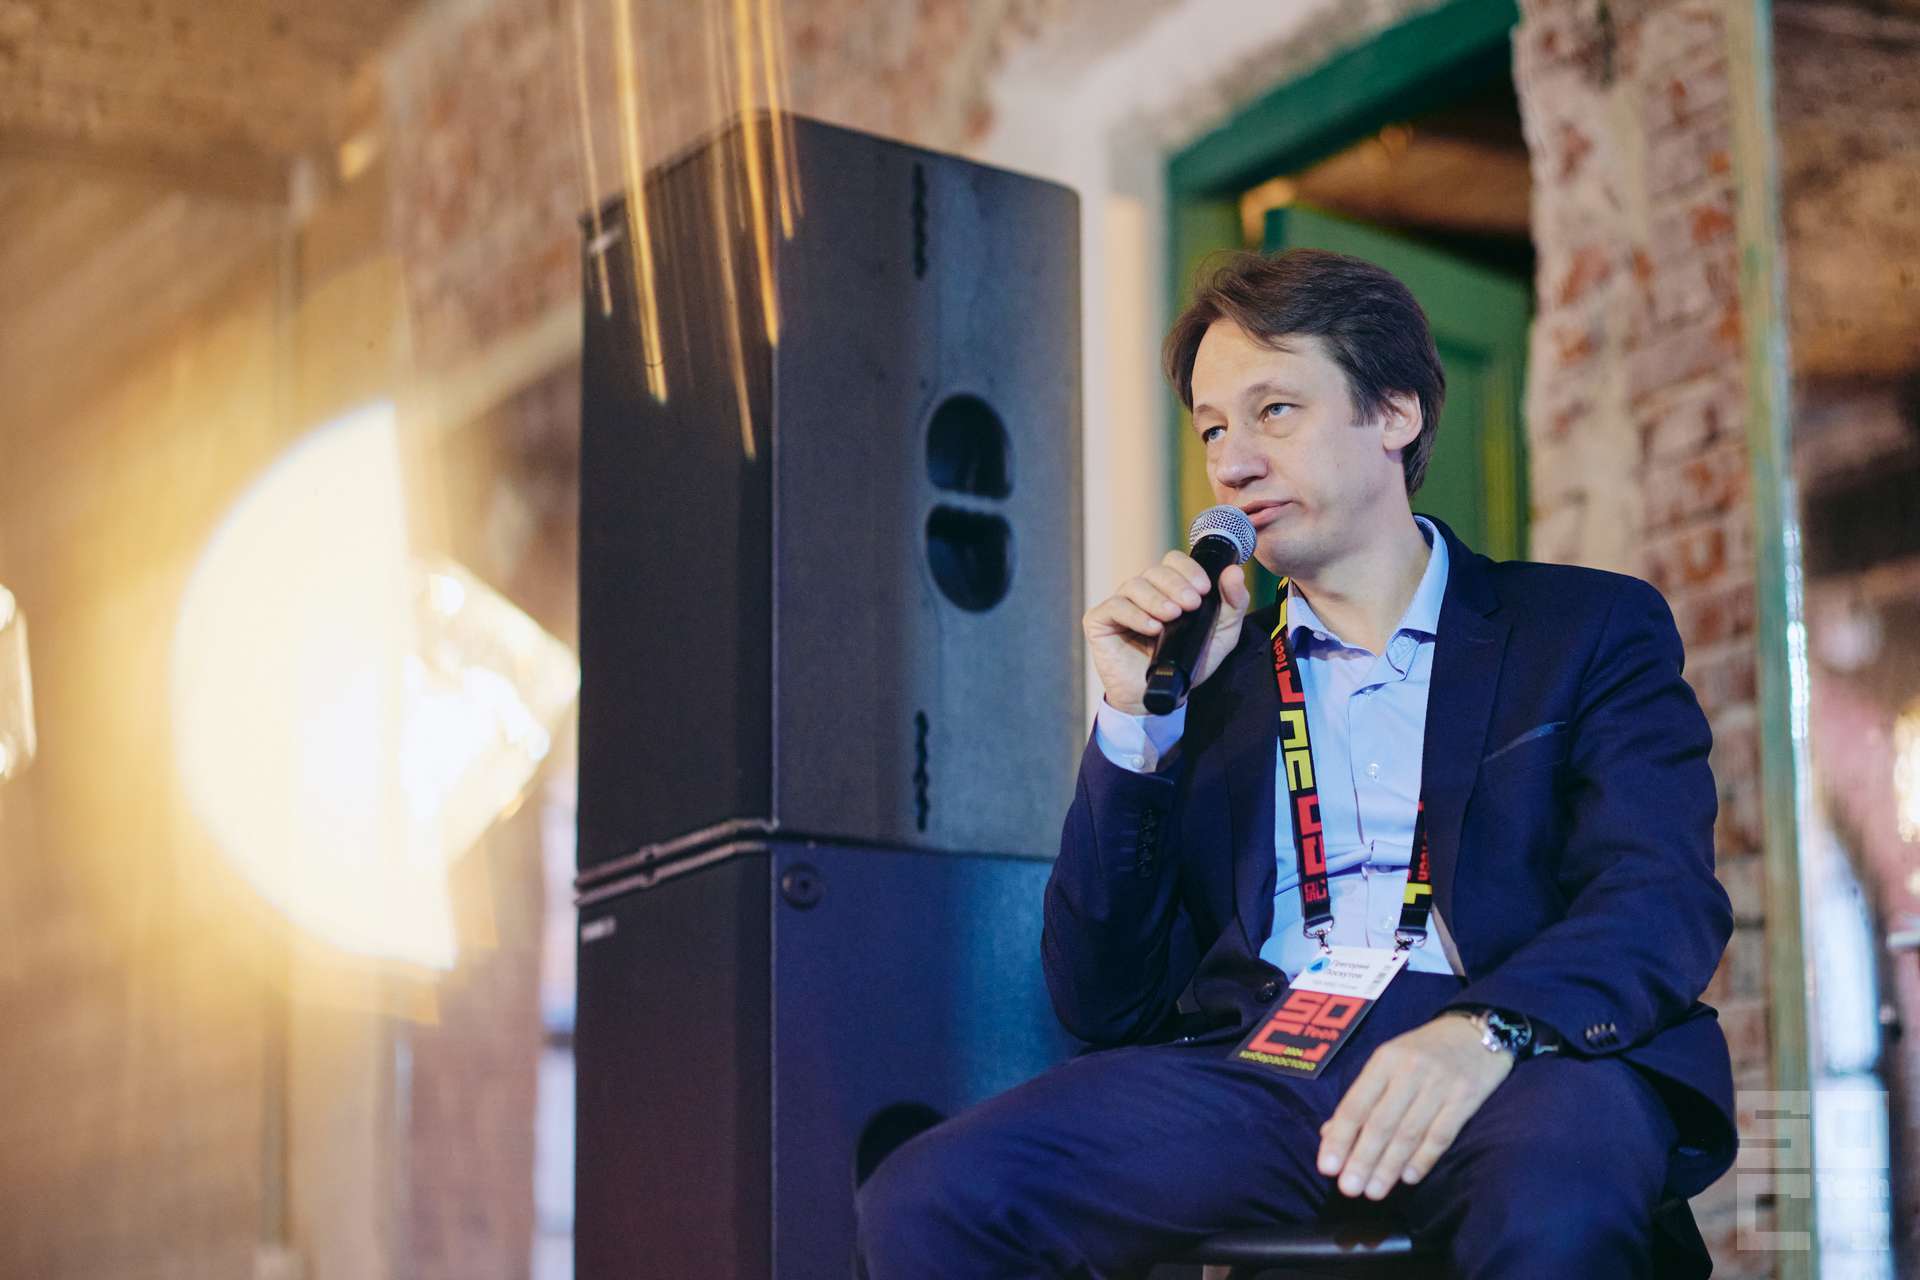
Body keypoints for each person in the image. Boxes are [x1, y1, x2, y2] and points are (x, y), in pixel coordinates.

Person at [854, 248, 1737, 1279]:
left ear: (1394, 412)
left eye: (1274, 410)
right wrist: (1138, 724)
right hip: (1269, 1063)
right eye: (1212, 430)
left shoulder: (1580, 629)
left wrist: (1483, 1031)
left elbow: (1658, 896)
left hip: (1515, 1049)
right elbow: (1101, 1000)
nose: (1232, 464)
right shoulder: (1210, 686)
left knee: (1558, 1200)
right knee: (932, 1196)